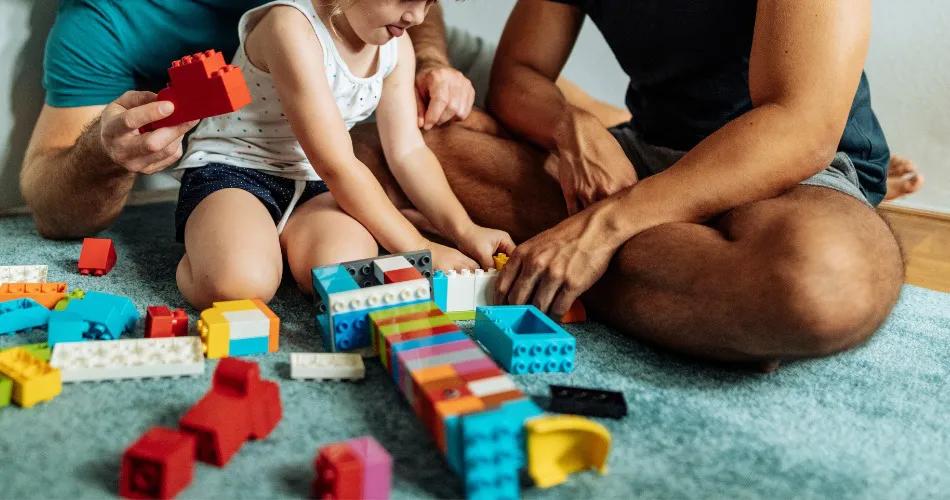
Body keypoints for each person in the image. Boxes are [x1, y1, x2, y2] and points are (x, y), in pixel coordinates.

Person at [409, 0, 905, 364]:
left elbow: (801, 125)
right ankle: (711, 307)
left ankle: (587, 261)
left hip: (786, 167)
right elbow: (518, 74)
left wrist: (605, 227)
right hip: (647, 151)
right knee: (404, 145)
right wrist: (570, 125)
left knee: (822, 286)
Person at [19, 0, 626, 241]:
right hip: (279, 152)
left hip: (384, 50)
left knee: (579, 122)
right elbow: (51, 203)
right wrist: (105, 153)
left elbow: (412, 12)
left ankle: (665, 159)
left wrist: (432, 60)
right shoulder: (102, 23)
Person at [170, 0, 518, 309]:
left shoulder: (398, 47)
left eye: (429, 2)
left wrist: (465, 230)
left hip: (313, 184)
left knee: (342, 275)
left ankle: (270, 241)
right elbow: (337, 164)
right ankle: (209, 252)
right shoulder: (290, 26)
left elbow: (409, 152)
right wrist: (420, 247)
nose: (416, 16)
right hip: (236, 171)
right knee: (241, 286)